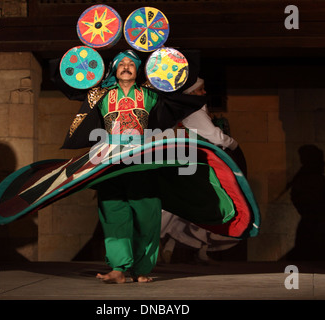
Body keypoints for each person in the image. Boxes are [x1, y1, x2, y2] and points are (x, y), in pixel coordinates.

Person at [53, 50, 206, 283]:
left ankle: (142, 268)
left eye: (131, 64)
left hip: (141, 159)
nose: (126, 66)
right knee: (113, 211)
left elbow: (178, 78)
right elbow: (70, 78)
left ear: (139, 69)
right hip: (109, 159)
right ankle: (118, 268)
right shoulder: (100, 94)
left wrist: (162, 57)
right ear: (114, 69)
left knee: (147, 214)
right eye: (121, 63)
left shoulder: (150, 93)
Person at [160, 77, 243, 264]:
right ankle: (151, 242)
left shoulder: (181, 107)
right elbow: (216, 137)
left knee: (193, 205)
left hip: (186, 160)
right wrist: (234, 144)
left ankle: (178, 247)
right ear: (191, 93)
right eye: (200, 90)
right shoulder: (194, 109)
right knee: (186, 205)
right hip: (191, 162)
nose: (204, 93)